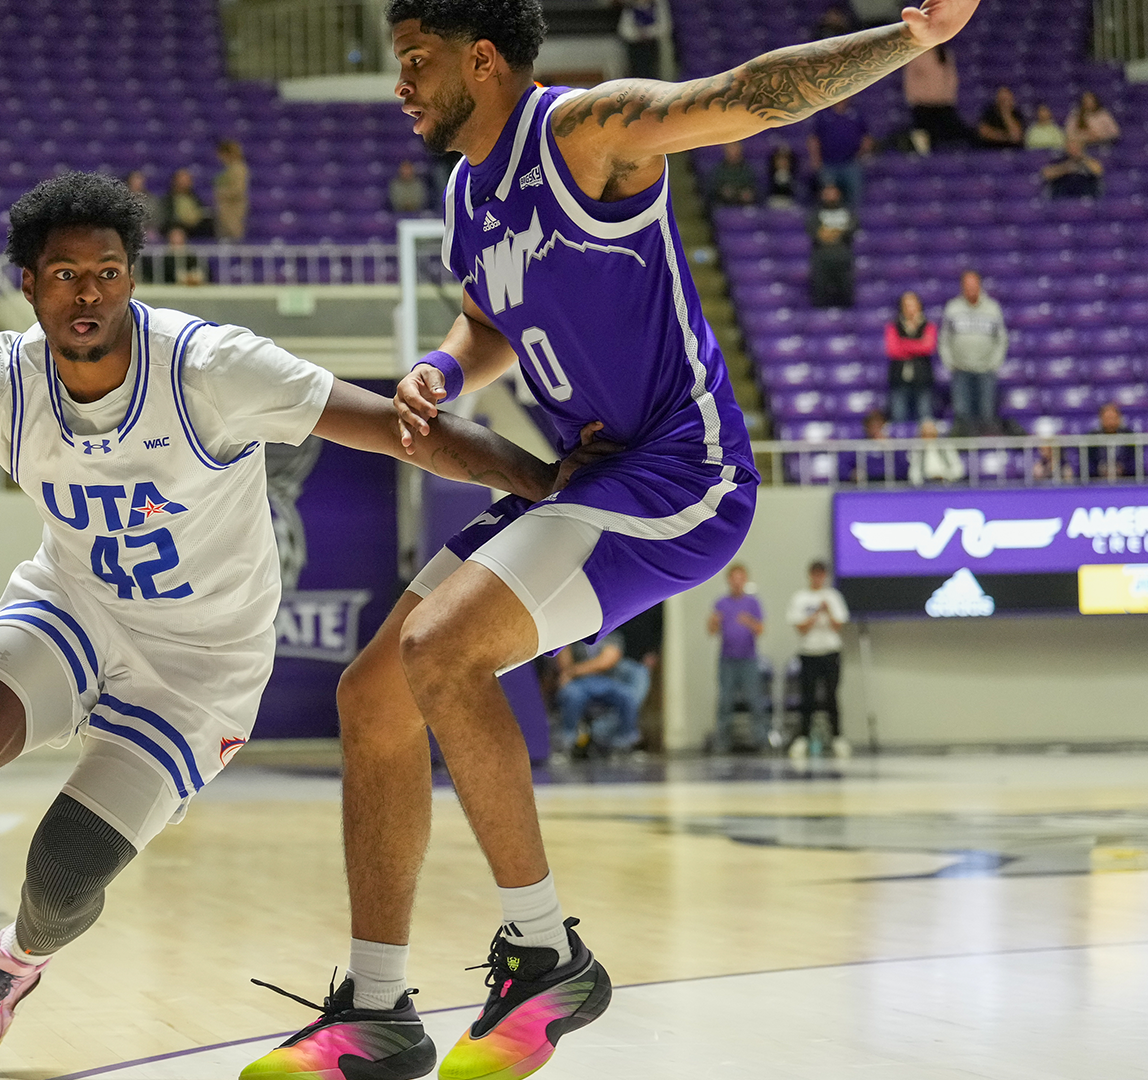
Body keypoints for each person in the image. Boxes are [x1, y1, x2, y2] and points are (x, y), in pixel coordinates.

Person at [0, 171, 578, 1080]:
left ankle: (13, 963)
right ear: (30, 285)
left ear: (131, 276)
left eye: (106, 270)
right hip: (73, 610)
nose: (87, 290)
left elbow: (397, 429)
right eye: (64, 273)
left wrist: (549, 482)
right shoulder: (1, 378)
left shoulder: (213, 368)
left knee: (62, 875)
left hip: (200, 669)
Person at [259, 2, 980, 1078]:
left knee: (441, 654)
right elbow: (490, 319)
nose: (400, 83)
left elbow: (743, 97)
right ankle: (376, 1007)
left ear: (484, 59)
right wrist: (444, 370)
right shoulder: (465, 195)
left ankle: (548, 953)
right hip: (587, 476)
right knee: (372, 697)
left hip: (687, 474)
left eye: (417, 60)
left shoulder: (583, 134)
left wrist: (908, 41)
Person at [787, 560, 850, 759]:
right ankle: (803, 738)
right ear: (810, 575)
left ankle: (837, 738)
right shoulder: (800, 598)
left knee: (831, 696)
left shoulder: (833, 597)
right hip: (809, 653)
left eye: (821, 574)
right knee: (807, 698)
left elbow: (838, 625)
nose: (818, 578)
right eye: (815, 574)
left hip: (830, 652)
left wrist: (828, 611)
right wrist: (816, 613)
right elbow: (800, 627)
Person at [550, 631, 650, 756]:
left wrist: (576, 670)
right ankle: (567, 741)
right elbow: (564, 663)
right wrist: (575, 671)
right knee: (571, 695)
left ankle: (625, 742)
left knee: (627, 696)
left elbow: (607, 660)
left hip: (606, 680)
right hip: (580, 683)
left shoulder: (610, 633)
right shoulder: (572, 635)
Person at [709, 563, 770, 752]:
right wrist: (713, 621)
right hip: (727, 660)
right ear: (728, 580)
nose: (736, 582)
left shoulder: (753, 603)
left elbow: (761, 630)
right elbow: (711, 631)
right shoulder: (721, 603)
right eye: (733, 578)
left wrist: (749, 621)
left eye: (740, 578)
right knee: (725, 702)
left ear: (745, 580)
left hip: (748, 659)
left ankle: (760, 740)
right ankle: (722, 742)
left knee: (754, 700)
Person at [939, 270, 1007, 436]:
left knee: (986, 415)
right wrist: (949, 363)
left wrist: (994, 363)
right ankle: (965, 456)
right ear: (962, 287)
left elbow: (1002, 339)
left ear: (979, 286)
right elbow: (944, 339)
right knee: (962, 417)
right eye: (967, 286)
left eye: (973, 285)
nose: (971, 289)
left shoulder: (992, 308)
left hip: (986, 371)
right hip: (960, 371)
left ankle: (985, 456)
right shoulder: (952, 308)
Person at [901, 44, 969, 149]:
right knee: (924, 138)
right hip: (922, 105)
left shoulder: (945, 53)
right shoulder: (916, 54)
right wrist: (914, 99)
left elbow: (951, 77)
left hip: (944, 105)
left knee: (958, 134)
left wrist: (949, 98)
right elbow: (910, 80)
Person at [885, 290, 936, 423]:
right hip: (899, 380)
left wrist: (904, 345)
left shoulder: (928, 326)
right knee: (898, 417)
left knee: (925, 417)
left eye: (913, 304)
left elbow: (928, 347)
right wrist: (917, 346)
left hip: (922, 379)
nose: (910, 309)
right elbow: (893, 350)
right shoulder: (893, 326)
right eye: (906, 305)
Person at [807, 98, 871, 204]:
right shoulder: (823, 114)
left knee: (854, 196)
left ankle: (852, 219)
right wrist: (816, 159)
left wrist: (861, 154)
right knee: (827, 196)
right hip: (828, 162)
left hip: (850, 162)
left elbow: (866, 137)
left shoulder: (856, 113)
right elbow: (814, 139)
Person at [807, 182, 857, 308]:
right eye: (827, 192)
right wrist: (838, 231)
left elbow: (851, 228)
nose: (830, 196)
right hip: (822, 260)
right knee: (820, 295)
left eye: (833, 192)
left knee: (846, 294)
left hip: (843, 259)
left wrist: (829, 231)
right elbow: (817, 233)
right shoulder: (815, 213)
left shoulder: (848, 212)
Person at [1040, 133, 1104, 199]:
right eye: (1071, 145)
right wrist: (1065, 168)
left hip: (1085, 197)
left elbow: (1098, 171)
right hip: (1062, 197)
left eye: (1076, 145)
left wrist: (1082, 159)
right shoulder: (1059, 160)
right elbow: (1046, 174)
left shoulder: (1088, 160)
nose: (1074, 149)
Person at [616, 0, 665, 79]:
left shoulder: (656, 7)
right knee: (637, 72)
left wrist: (648, 32)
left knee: (652, 71)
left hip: (651, 45)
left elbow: (664, 27)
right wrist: (637, 34)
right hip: (635, 46)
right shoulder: (630, 9)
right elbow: (624, 30)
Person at [907, 416, 965, 483]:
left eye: (931, 434)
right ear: (921, 434)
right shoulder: (918, 450)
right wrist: (920, 483)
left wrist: (946, 475)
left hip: (946, 483)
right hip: (926, 484)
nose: (929, 438)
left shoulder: (945, 447)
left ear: (936, 433)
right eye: (926, 435)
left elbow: (958, 469)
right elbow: (913, 472)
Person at [1089, 401, 1138, 480]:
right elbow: (1088, 462)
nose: (1110, 422)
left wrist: (1122, 468)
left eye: (1113, 418)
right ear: (1101, 419)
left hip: (1126, 480)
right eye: (1107, 418)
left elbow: (1134, 460)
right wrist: (1100, 470)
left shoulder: (1129, 435)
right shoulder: (1092, 437)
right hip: (1098, 480)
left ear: (1119, 419)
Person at [214, 138, 250, 241]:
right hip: (224, 211)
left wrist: (221, 193)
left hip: (233, 211)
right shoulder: (228, 169)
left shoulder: (239, 168)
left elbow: (238, 190)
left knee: (234, 239)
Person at [705, 141, 759, 205]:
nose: (733, 152)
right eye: (730, 149)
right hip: (723, 202)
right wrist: (722, 191)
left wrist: (748, 193)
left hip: (744, 203)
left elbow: (754, 186)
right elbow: (711, 189)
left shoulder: (749, 169)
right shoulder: (718, 170)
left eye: (735, 148)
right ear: (725, 150)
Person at [163, 166, 211, 238]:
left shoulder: (195, 198)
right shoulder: (168, 199)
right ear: (175, 181)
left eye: (187, 179)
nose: (185, 182)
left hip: (196, 227)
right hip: (177, 226)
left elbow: (200, 211)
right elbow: (167, 217)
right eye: (182, 179)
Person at [975, 84, 1024, 148]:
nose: (1004, 102)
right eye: (1002, 99)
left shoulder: (1017, 114)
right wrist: (1005, 136)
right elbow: (983, 132)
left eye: (1006, 99)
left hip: (1013, 150)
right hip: (990, 150)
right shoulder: (990, 112)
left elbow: (1015, 136)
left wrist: (1006, 114)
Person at [124, 170, 165, 238]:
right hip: (128, 229)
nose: (138, 183)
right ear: (129, 181)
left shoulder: (151, 199)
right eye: (135, 180)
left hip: (147, 229)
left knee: (152, 235)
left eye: (140, 180)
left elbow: (156, 216)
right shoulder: (123, 199)